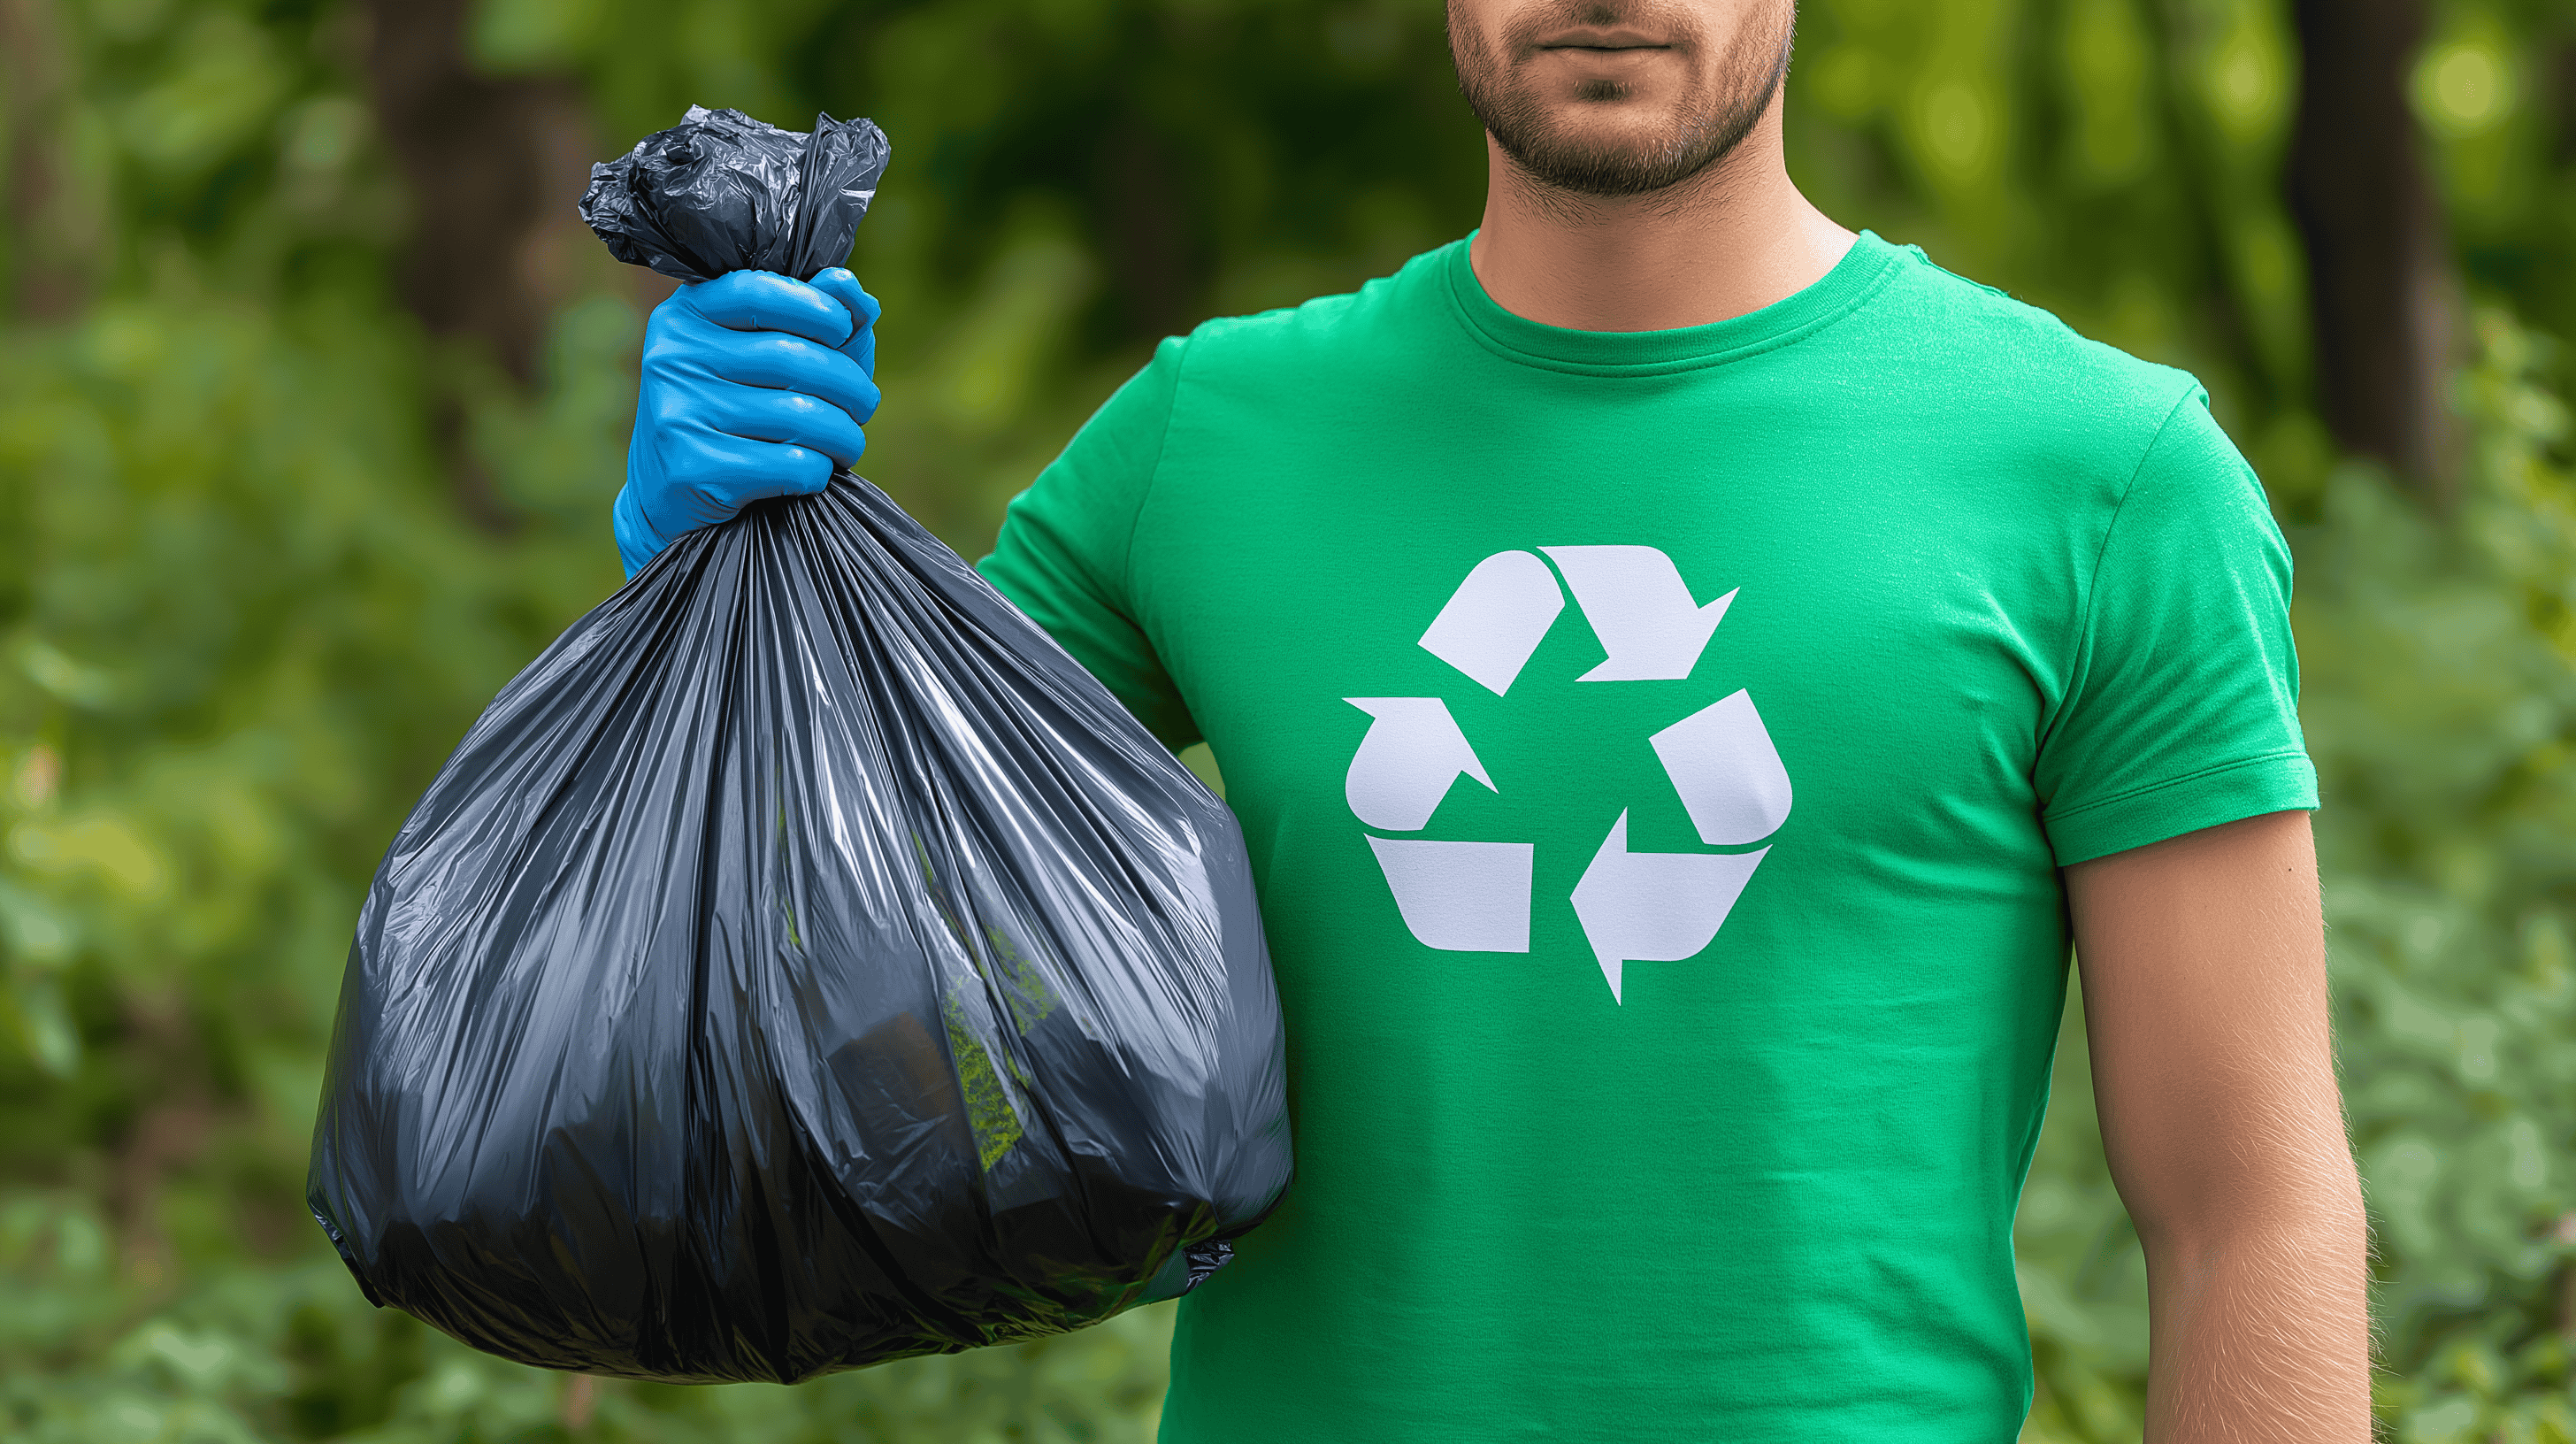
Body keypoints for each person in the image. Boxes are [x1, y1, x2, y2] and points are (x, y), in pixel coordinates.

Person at [609, 0, 2370, 1437]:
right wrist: (706, 579)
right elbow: (813, 935)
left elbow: (2246, 1216)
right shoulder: (1204, 444)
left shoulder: (2100, 476)